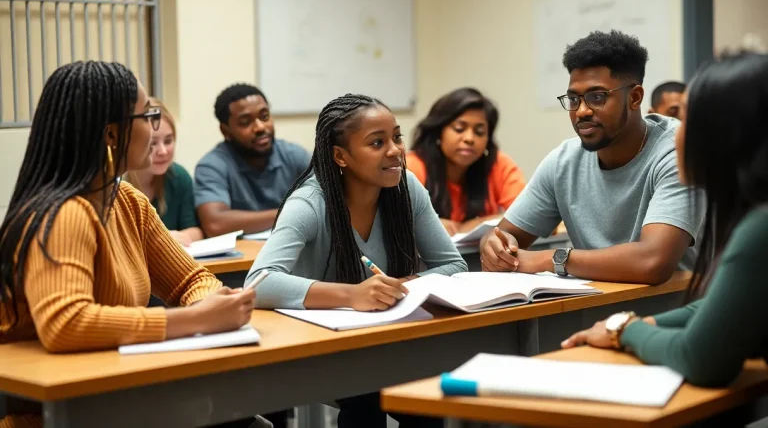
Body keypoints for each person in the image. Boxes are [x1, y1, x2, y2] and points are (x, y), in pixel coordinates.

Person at [0, 62, 256, 428]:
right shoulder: (65, 214)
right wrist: (195, 319)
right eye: (148, 116)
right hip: (58, 416)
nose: (155, 130)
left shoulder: (128, 202)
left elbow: (190, 280)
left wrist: (210, 302)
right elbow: (66, 323)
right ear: (110, 135)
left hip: (117, 395)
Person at [561, 54, 768, 414]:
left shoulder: (760, 230)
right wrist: (645, 324)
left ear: (726, 135)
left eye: (685, 118)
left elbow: (702, 359)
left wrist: (625, 332)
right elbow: (725, 307)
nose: (674, 133)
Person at [246, 93, 467, 428]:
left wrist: (407, 285)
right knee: (365, 402)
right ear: (341, 156)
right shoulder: (309, 202)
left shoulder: (406, 188)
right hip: (320, 348)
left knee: (426, 401)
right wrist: (352, 295)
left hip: (386, 342)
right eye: (377, 143)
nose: (394, 151)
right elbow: (259, 281)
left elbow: (454, 266)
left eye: (396, 137)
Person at [480, 30, 704, 284]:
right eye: (574, 99)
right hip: (592, 311)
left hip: (673, 315)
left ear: (634, 97)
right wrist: (494, 247)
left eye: (597, 97)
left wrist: (552, 259)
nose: (582, 111)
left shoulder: (678, 152)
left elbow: (653, 262)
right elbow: (501, 235)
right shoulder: (563, 162)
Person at [195, 84, 310, 237]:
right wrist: (292, 212)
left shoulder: (293, 155)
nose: (260, 127)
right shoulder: (212, 166)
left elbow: (334, 198)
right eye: (245, 122)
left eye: (264, 116)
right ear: (226, 131)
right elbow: (215, 223)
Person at [407, 87, 526, 236]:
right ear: (438, 132)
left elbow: (530, 217)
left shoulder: (500, 165)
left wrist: (468, 226)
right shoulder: (412, 167)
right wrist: (425, 225)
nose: (469, 138)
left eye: (479, 132)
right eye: (459, 129)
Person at [124, 98, 203, 246]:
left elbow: (196, 231)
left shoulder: (178, 176)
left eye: (168, 141)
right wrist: (162, 238)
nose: (163, 151)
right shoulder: (118, 182)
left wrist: (175, 237)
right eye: (152, 143)